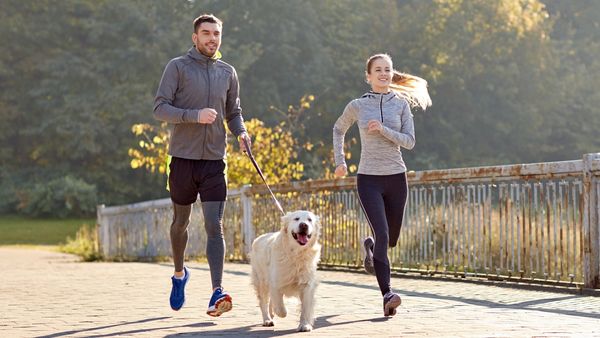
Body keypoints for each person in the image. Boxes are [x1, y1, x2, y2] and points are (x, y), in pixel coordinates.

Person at [153, 13, 251, 317]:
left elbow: (233, 112)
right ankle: (180, 274)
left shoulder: (227, 72)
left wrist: (242, 132)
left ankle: (217, 291)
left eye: (216, 34)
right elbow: (160, 108)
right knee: (180, 223)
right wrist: (194, 115)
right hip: (181, 159)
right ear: (195, 37)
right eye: (206, 33)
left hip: (214, 161)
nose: (212, 39)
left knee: (213, 225)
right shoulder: (177, 67)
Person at [332, 53, 431, 317]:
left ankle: (371, 249)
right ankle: (387, 295)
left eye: (387, 69)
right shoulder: (358, 105)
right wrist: (340, 161)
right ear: (369, 76)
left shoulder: (401, 105)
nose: (384, 74)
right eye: (378, 70)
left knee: (391, 240)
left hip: (397, 177)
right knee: (383, 234)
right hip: (368, 179)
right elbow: (338, 129)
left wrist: (383, 130)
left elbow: (409, 141)